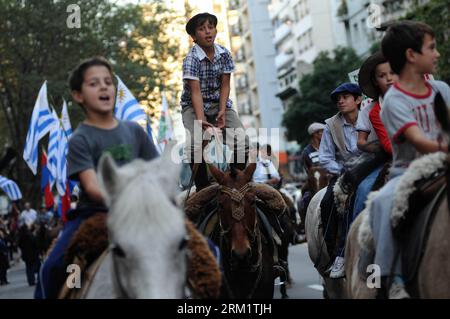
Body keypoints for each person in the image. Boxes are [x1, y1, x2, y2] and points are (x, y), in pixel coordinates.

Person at [35, 56, 159, 299]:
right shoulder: (80, 139)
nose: (104, 87)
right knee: (53, 268)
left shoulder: (134, 131)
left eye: (108, 82)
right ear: (78, 95)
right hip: (95, 215)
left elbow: (156, 172)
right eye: (94, 83)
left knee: (205, 250)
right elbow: (92, 187)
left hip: (143, 210)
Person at [369, 21, 450, 298]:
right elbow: (418, 141)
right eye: (432, 48)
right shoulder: (393, 101)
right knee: (382, 201)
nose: (437, 54)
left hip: (444, 165)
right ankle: (389, 278)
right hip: (409, 172)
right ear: (411, 55)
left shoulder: (442, 89)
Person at [329, 52, 399, 279]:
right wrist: (381, 147)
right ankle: (345, 251)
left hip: (418, 152)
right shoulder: (371, 109)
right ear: (375, 82)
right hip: (382, 156)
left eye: (392, 73)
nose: (388, 78)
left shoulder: (414, 96)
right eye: (382, 75)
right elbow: (362, 143)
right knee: (361, 190)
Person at [181, 12, 249, 191]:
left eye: (210, 27)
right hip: (193, 106)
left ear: (216, 30)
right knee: (195, 145)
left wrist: (222, 111)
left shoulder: (225, 54)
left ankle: (234, 179)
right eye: (202, 29)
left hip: (219, 102)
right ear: (194, 37)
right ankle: (202, 187)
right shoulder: (191, 59)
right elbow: (195, 92)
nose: (208, 32)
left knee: (243, 142)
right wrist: (202, 121)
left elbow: (225, 85)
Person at [318, 82, 362, 278]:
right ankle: (334, 254)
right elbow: (325, 158)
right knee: (327, 204)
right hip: (343, 174)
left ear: (358, 99)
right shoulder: (331, 125)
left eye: (345, 97)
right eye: (338, 99)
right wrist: (342, 171)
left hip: (372, 170)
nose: (340, 101)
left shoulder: (370, 117)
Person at [297, 123, 325, 241]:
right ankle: (305, 227)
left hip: (329, 178)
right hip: (314, 180)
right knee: (302, 199)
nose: (323, 134)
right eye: (321, 132)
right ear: (314, 134)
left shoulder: (327, 146)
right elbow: (308, 170)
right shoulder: (306, 152)